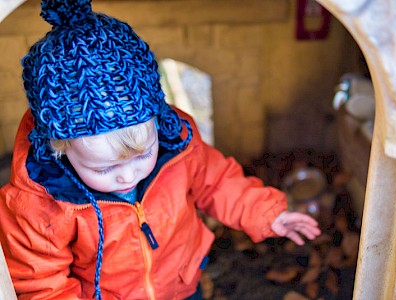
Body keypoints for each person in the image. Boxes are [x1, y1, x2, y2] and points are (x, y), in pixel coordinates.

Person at [0, 0, 321, 299]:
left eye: (142, 155)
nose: (128, 174)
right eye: (103, 168)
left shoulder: (178, 147)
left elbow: (219, 182)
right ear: (60, 149)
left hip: (181, 282)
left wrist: (267, 213)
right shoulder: (40, 205)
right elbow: (41, 281)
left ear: (157, 121)